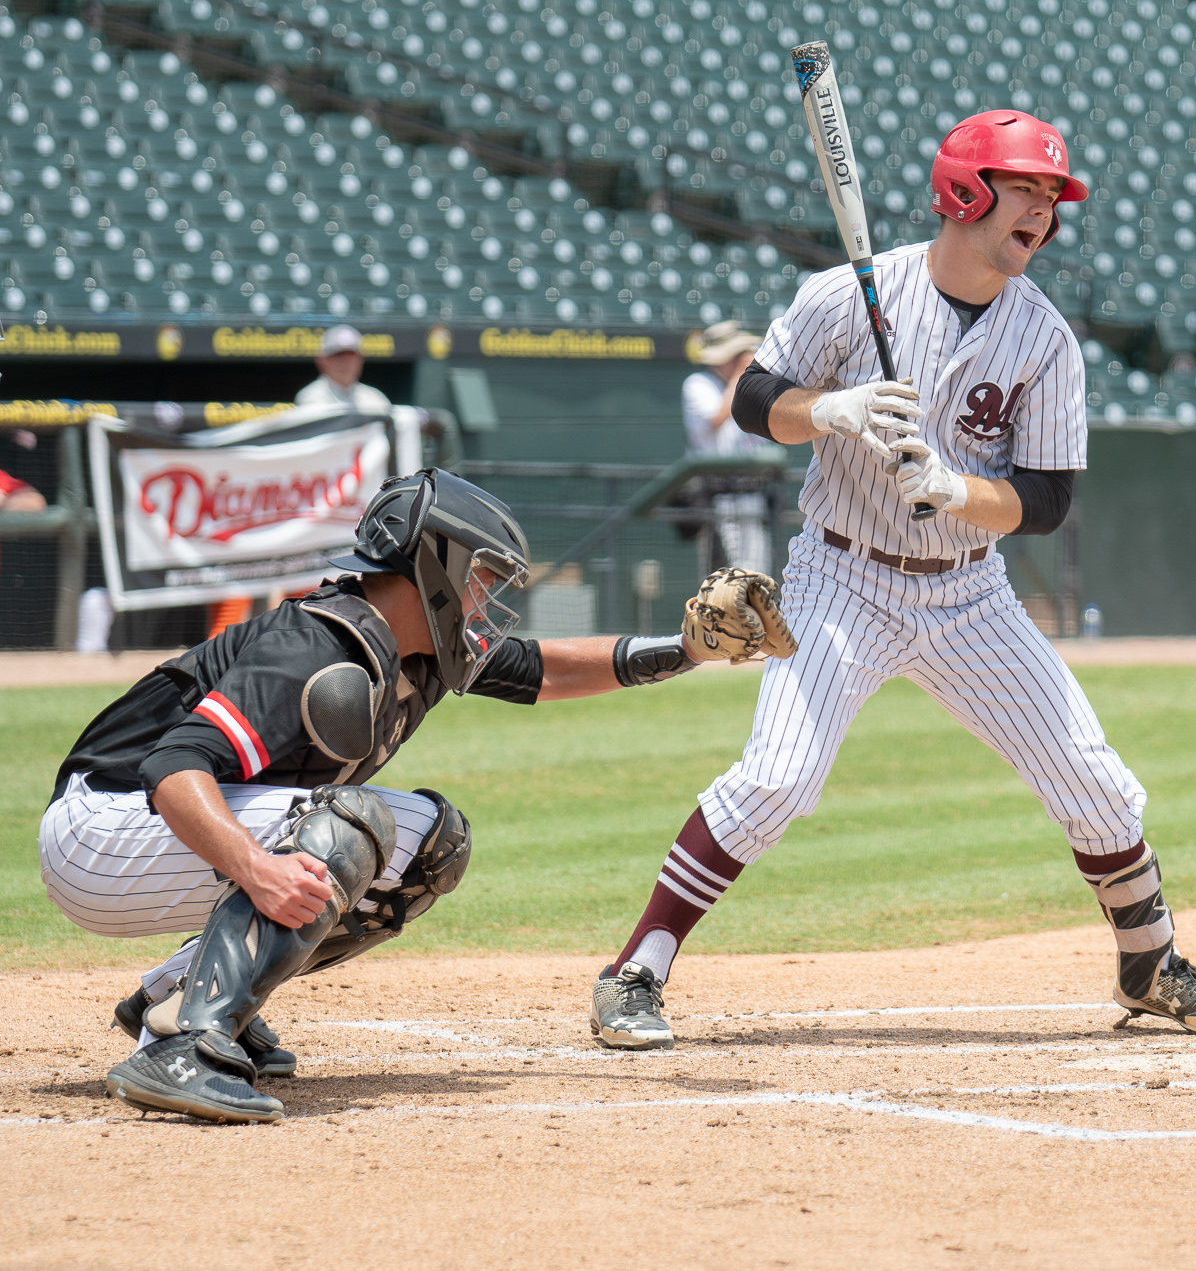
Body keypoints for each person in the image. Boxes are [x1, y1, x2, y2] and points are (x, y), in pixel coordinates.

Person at [588, 108, 1196, 1050]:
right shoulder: (845, 293)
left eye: (1052, 198)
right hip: (841, 577)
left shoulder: (1045, 339)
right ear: (965, 191)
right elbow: (753, 404)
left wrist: (954, 489)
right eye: (1026, 189)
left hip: (967, 592)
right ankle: (636, 970)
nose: (1044, 212)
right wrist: (832, 409)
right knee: (779, 777)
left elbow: (1046, 500)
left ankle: (1150, 964)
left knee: (1095, 780)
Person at [40, 469, 789, 1123]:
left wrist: (688, 649)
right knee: (354, 824)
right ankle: (181, 1046)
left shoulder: (418, 645)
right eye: (482, 577)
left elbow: (543, 669)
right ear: (432, 564)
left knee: (432, 843)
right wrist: (254, 867)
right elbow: (174, 768)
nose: (489, 599)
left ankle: (177, 993)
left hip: (152, 831)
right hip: (103, 827)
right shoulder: (315, 645)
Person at [682, 319, 775, 573]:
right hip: (718, 496)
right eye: (735, 355)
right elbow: (715, 419)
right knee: (723, 578)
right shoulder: (698, 383)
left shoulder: (745, 385)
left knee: (757, 576)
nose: (740, 359)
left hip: (752, 494)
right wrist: (740, 376)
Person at [294, 324, 392, 415]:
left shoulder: (374, 397)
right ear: (322, 361)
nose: (346, 362)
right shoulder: (310, 396)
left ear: (360, 359)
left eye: (351, 355)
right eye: (338, 355)